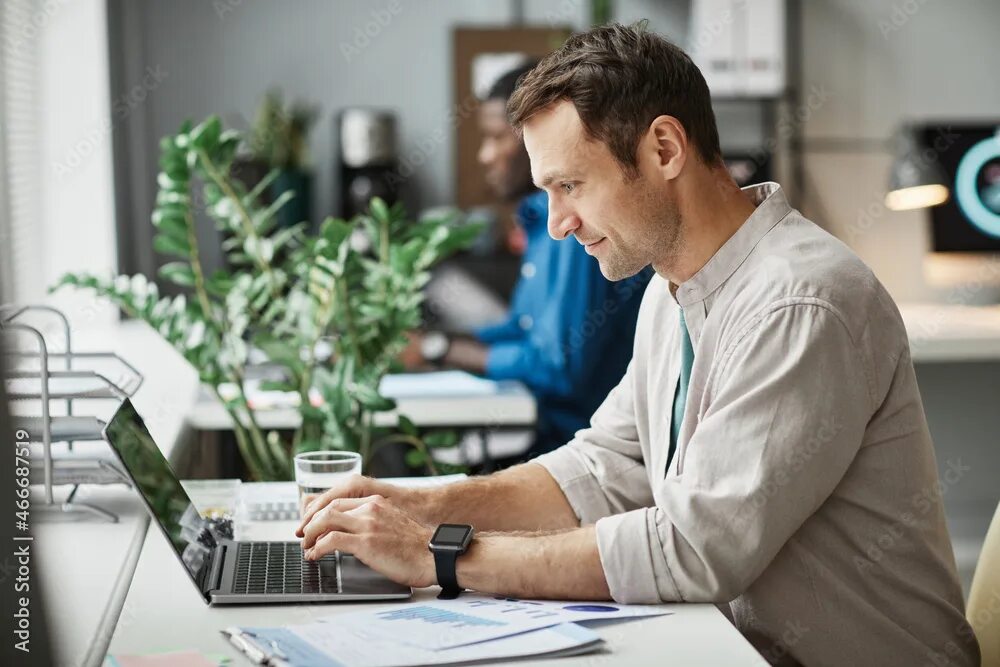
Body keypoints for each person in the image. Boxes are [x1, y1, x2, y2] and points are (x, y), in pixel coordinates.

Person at [297, 23, 978, 667]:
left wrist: (440, 555)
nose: (558, 224)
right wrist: (414, 505)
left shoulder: (799, 300)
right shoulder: (671, 288)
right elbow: (601, 470)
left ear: (664, 149)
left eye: (571, 185)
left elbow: (693, 549)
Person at [402, 63, 650, 458]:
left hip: (578, 449)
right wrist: (439, 343)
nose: (485, 155)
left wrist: (438, 349)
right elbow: (522, 328)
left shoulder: (576, 232)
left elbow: (558, 367)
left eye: (496, 138)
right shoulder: (540, 223)